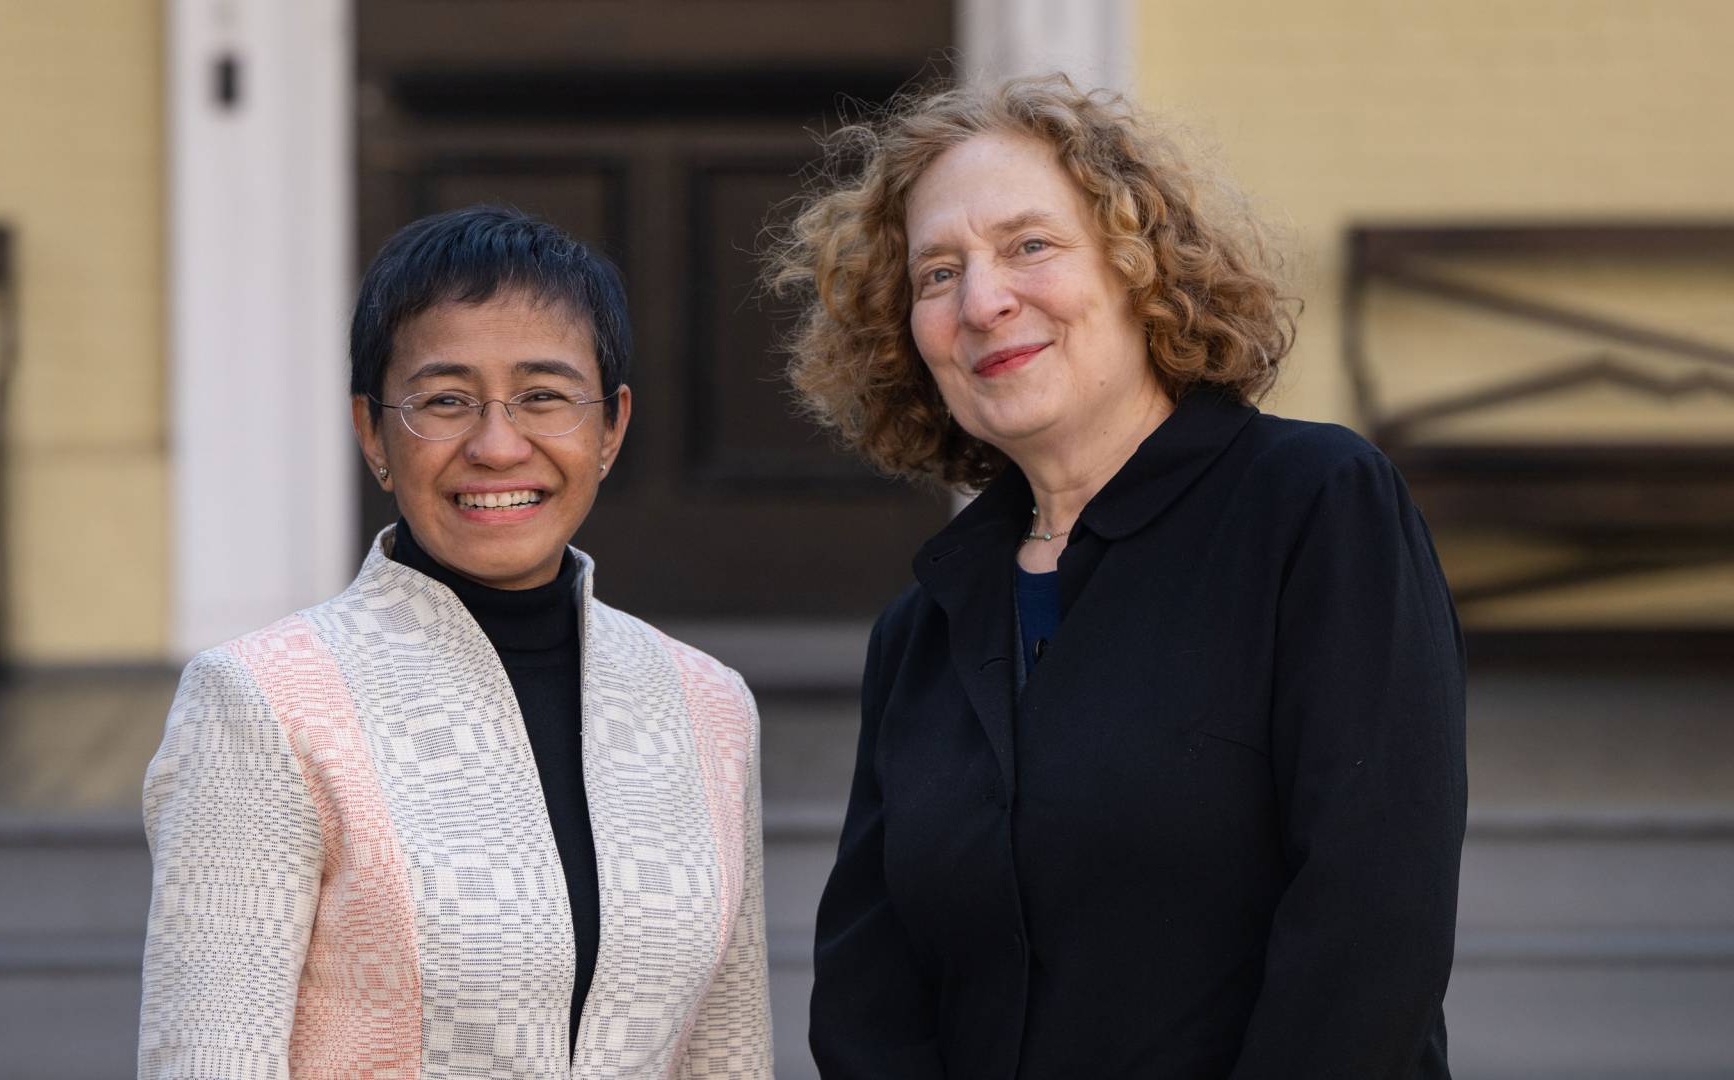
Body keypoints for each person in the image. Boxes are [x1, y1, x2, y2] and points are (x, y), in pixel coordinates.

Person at [767, 75, 1467, 1078]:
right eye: (937, 273)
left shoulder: (1314, 507)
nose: (982, 301)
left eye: (1029, 245)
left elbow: (1370, 928)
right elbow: (868, 994)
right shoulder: (923, 628)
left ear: (1142, 267)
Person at [140, 206, 772, 1079]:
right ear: (373, 432)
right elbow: (209, 1059)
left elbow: (730, 1056)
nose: (497, 446)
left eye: (544, 396)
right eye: (445, 400)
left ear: (611, 428)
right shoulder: (264, 704)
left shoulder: (707, 706)